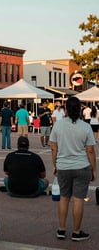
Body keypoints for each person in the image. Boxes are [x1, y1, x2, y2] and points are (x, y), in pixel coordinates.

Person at [50, 96, 96, 241]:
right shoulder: (86, 127)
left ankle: (61, 229)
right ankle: (76, 232)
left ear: (66, 109)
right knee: (78, 199)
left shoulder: (58, 125)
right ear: (80, 109)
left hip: (63, 166)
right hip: (82, 166)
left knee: (64, 198)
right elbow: (90, 151)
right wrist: (93, 169)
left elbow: (53, 148)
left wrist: (55, 165)